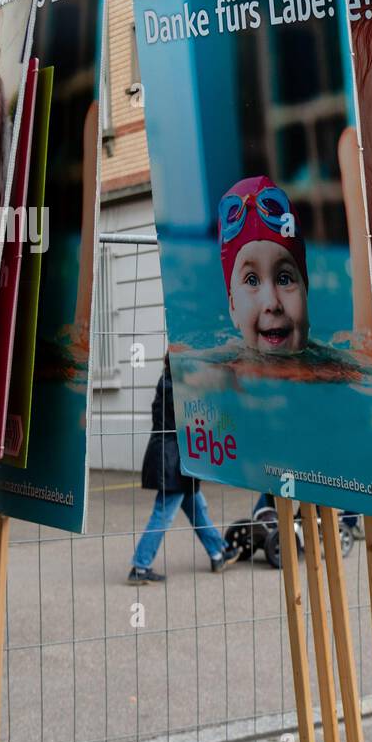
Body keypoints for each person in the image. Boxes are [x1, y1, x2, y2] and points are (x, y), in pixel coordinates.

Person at [129, 355, 234, 584]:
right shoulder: (177, 388)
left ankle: (218, 552)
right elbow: (197, 419)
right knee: (163, 514)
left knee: (197, 507)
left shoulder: (168, 382)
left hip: (172, 458)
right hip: (173, 461)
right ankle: (140, 566)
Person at [219, 175, 310, 355]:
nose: (272, 303)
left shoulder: (331, 370)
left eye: (284, 279)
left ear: (305, 292)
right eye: (252, 280)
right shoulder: (221, 370)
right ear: (233, 308)